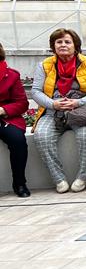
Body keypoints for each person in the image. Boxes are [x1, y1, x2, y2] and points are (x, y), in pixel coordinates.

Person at [31, 28, 86, 193]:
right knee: (41, 136)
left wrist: (79, 102)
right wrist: (52, 104)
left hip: (80, 112)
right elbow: (36, 91)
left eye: (67, 42)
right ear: (53, 46)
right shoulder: (44, 65)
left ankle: (83, 177)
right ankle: (59, 179)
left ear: (75, 45)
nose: (63, 45)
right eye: (59, 42)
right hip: (52, 112)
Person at [0, 42, 30, 198]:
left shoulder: (11, 75)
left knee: (18, 140)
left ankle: (19, 182)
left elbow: (22, 103)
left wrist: (3, 110)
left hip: (5, 118)